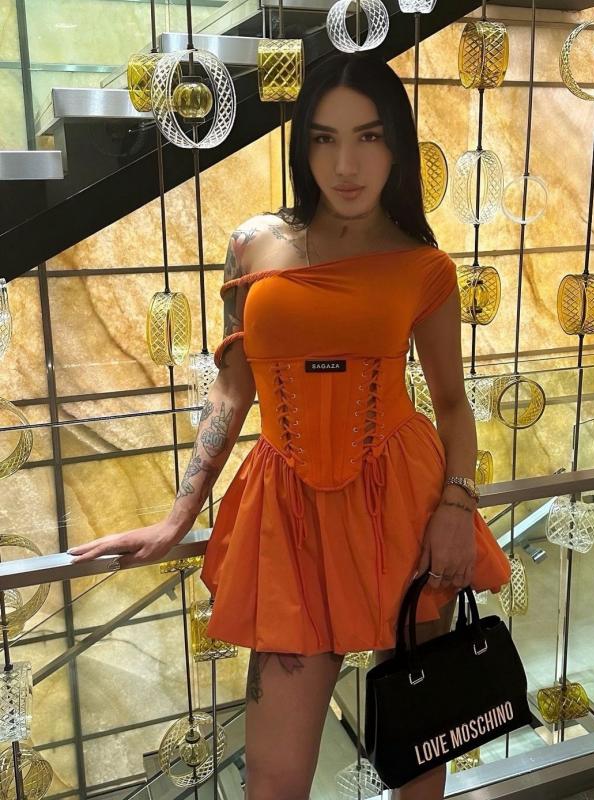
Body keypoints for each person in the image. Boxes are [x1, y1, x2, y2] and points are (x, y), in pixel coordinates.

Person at [68, 50, 510, 799]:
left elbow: (452, 404)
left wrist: (457, 506)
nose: (346, 164)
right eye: (324, 138)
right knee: (273, 778)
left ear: (397, 146)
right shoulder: (253, 243)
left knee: (418, 749)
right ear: (302, 145)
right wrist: (177, 517)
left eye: (369, 137)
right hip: (288, 517)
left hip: (403, 510)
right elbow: (230, 394)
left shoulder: (422, 265)